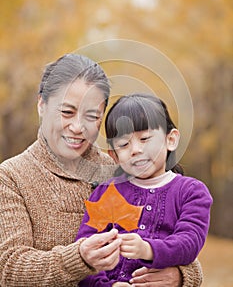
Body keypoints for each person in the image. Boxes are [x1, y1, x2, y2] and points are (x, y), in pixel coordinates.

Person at [0, 54, 202, 287]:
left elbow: (174, 238)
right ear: (42, 105)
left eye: (92, 116)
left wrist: (181, 275)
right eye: (67, 112)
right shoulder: (11, 177)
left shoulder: (121, 170)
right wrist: (79, 259)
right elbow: (9, 267)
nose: (77, 127)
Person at [77, 93, 213, 286]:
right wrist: (108, 285)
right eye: (124, 144)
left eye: (145, 139)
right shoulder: (108, 192)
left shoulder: (191, 192)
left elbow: (189, 242)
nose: (135, 150)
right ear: (114, 156)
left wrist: (148, 249)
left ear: (170, 139)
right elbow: (85, 251)